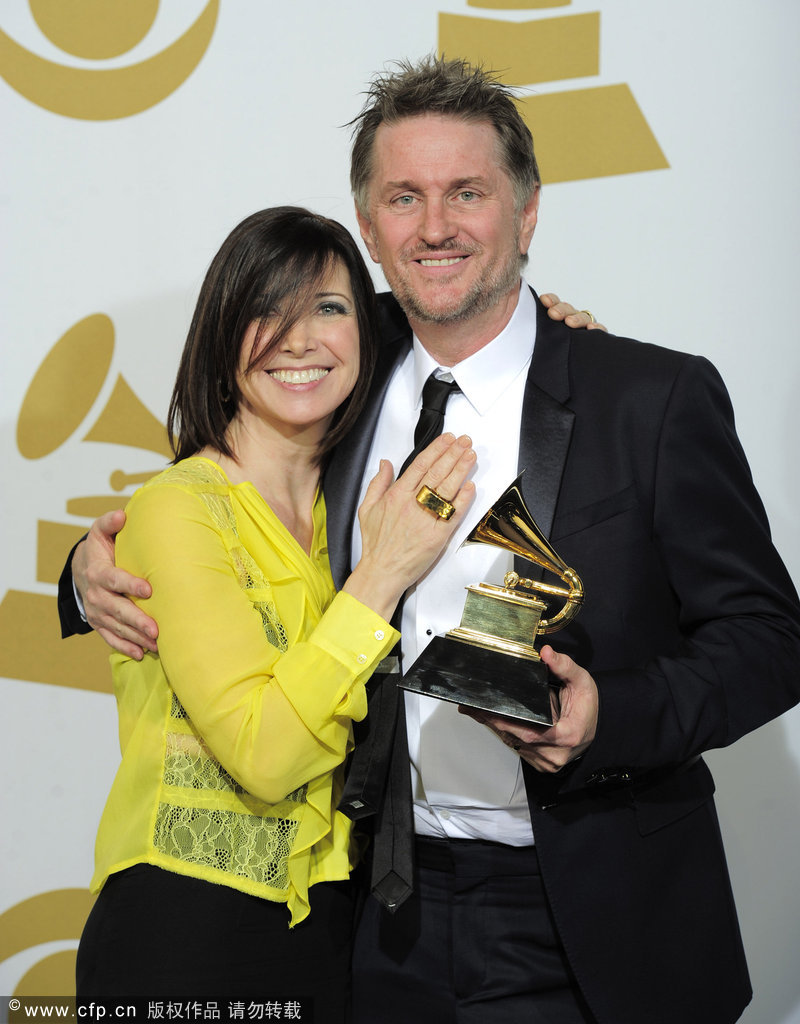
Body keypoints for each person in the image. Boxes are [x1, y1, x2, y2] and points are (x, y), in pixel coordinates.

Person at [59, 56, 800, 1024]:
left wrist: (604, 718)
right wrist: (85, 575)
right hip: (368, 913)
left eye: (467, 193)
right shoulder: (330, 364)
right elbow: (220, 502)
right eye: (402, 197)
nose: (435, 226)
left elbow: (765, 638)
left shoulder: (646, 398)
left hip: (589, 906)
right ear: (368, 227)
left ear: (526, 213)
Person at [70, 205, 478, 1019]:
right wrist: (385, 575)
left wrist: (555, 320)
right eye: (268, 311)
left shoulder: (350, 510)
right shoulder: (177, 509)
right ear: (222, 338)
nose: (300, 341)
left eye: (329, 309)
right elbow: (262, 753)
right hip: (181, 937)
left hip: (337, 934)